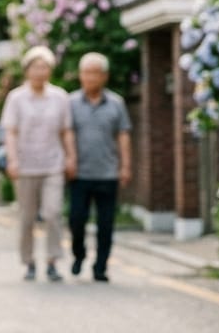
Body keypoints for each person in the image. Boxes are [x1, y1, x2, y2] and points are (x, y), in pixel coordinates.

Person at [0, 45, 75, 282]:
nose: (40, 72)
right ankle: (29, 261)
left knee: (53, 213)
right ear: (27, 70)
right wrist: (12, 160)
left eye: (44, 67)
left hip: (53, 163)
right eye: (36, 67)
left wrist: (72, 157)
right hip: (25, 165)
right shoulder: (16, 98)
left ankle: (52, 260)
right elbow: (10, 132)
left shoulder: (60, 96)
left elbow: (66, 131)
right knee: (27, 217)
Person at [66, 51, 132, 282]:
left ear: (105, 76)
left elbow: (123, 135)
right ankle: (78, 254)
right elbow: (66, 134)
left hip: (107, 172)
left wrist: (125, 166)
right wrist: (69, 160)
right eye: (86, 72)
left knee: (106, 224)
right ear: (80, 76)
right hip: (79, 173)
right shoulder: (71, 103)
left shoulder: (116, 103)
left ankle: (101, 266)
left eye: (95, 73)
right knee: (76, 219)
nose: (90, 77)